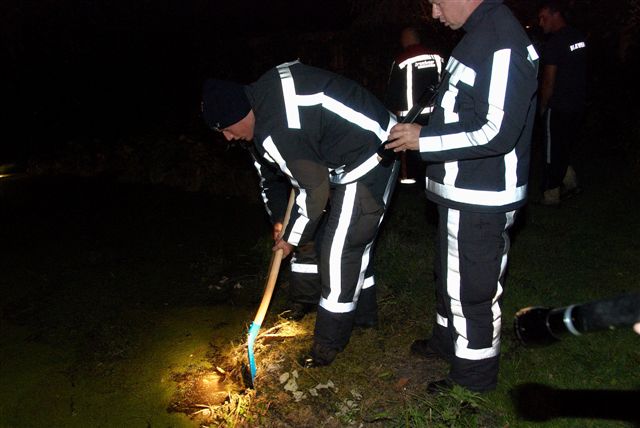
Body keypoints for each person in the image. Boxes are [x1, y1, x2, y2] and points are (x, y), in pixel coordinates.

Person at [201, 60, 399, 367]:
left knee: (340, 250)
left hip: (372, 150)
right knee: (321, 234)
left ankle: (329, 343)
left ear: (239, 114)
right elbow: (270, 179)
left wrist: (293, 237)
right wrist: (282, 221)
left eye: (226, 129)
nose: (228, 138)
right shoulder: (259, 111)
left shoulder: (276, 128)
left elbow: (316, 190)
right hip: (336, 160)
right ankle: (351, 314)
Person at [386, 0, 539, 392]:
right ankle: (446, 341)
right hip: (458, 189)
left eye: (437, 2)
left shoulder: (502, 43)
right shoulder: (477, 36)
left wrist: (425, 139)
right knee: (450, 277)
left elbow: (497, 131)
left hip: (480, 194)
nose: (434, 14)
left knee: (472, 292)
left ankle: (473, 379)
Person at [537, 0, 587, 206]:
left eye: (543, 17)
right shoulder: (579, 37)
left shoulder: (555, 43)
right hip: (577, 104)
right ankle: (571, 182)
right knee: (564, 146)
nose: (540, 23)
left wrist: (543, 106)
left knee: (552, 150)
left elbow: (549, 79)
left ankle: (551, 193)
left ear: (555, 14)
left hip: (557, 106)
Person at [385, 26, 444, 185]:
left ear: (406, 39)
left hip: (410, 115)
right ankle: (432, 178)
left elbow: (393, 88)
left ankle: (412, 179)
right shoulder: (437, 57)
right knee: (432, 145)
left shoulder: (401, 59)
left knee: (412, 149)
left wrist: (391, 110)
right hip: (435, 113)